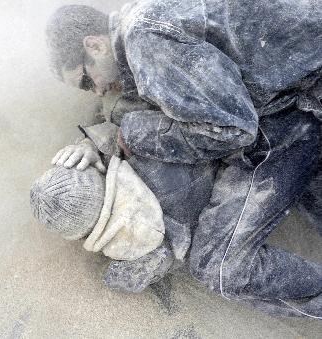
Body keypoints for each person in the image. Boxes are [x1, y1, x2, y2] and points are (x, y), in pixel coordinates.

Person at [43, 1, 322, 317]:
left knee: (219, 264)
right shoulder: (143, 22)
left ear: (94, 45)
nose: (95, 91)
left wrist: (133, 133)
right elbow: (165, 95)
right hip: (293, 100)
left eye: (85, 80)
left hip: (296, 110)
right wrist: (97, 139)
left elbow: (231, 129)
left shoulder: (145, 37)